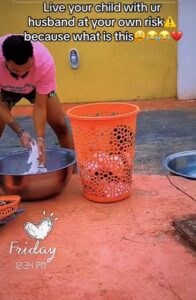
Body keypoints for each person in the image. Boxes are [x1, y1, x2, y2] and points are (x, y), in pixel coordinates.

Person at [0, 34, 74, 164]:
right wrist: (20, 132)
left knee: (61, 125)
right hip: (4, 89)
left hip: (37, 87)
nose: (22, 75)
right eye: (15, 71)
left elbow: (40, 106)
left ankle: (71, 173)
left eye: (27, 69)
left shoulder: (45, 61)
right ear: (4, 59)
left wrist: (40, 139)